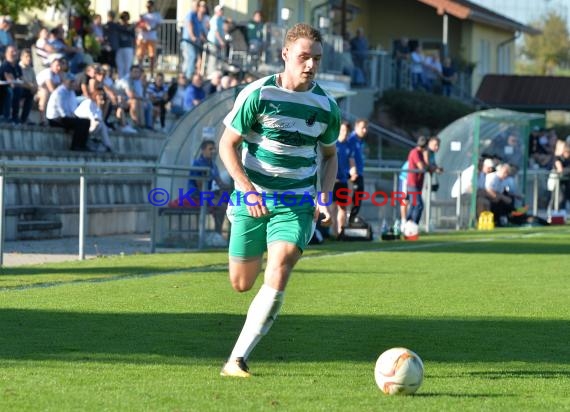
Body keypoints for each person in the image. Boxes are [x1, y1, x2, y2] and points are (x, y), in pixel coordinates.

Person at [218, 23, 340, 378]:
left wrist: (324, 195)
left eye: (316, 58)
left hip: (296, 201)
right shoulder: (258, 94)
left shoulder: (327, 106)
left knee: (282, 260)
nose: (310, 65)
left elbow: (330, 155)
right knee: (242, 283)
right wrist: (246, 187)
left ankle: (237, 359)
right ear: (285, 54)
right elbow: (228, 144)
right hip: (251, 197)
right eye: (304, 57)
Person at [188, 139, 228, 234]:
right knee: (221, 206)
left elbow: (220, 182)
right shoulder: (197, 164)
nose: (213, 151)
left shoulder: (213, 165)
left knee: (229, 203)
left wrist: (231, 187)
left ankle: (218, 234)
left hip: (207, 194)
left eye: (214, 149)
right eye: (210, 149)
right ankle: (217, 233)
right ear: (203, 150)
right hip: (196, 195)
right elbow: (199, 185)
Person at [46, 74, 91, 151]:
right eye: (72, 82)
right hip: (56, 118)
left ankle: (82, 145)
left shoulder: (71, 92)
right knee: (79, 123)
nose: (74, 84)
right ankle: (75, 145)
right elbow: (60, 109)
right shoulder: (59, 92)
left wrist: (74, 117)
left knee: (86, 122)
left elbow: (73, 108)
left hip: (66, 117)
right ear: (66, 82)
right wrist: (70, 118)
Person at [347, 118, 368, 223]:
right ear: (356, 127)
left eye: (366, 128)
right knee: (351, 200)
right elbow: (349, 157)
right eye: (362, 128)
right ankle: (348, 222)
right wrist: (352, 171)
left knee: (357, 200)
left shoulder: (360, 140)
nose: (365, 130)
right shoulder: (351, 139)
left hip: (359, 174)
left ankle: (352, 221)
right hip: (352, 175)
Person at [332, 121, 352, 236]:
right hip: (333, 181)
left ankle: (341, 232)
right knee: (333, 207)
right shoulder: (333, 144)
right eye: (343, 130)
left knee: (343, 207)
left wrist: (351, 172)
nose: (344, 133)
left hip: (343, 181)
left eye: (347, 131)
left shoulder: (348, 145)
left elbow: (351, 161)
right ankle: (333, 233)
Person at [136, 1, 162, 77]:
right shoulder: (143, 15)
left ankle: (151, 74)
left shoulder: (157, 15)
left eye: (150, 6)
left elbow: (158, 26)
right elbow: (139, 25)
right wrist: (142, 27)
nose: (148, 8)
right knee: (140, 56)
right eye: (147, 6)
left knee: (152, 56)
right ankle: (140, 72)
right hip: (142, 37)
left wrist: (151, 29)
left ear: (153, 6)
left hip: (152, 38)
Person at [405, 135, 428, 224]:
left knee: (413, 205)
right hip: (412, 184)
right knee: (419, 205)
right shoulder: (415, 152)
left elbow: (427, 167)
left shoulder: (420, 153)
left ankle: (408, 224)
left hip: (417, 184)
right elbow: (422, 167)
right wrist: (426, 159)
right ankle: (413, 224)